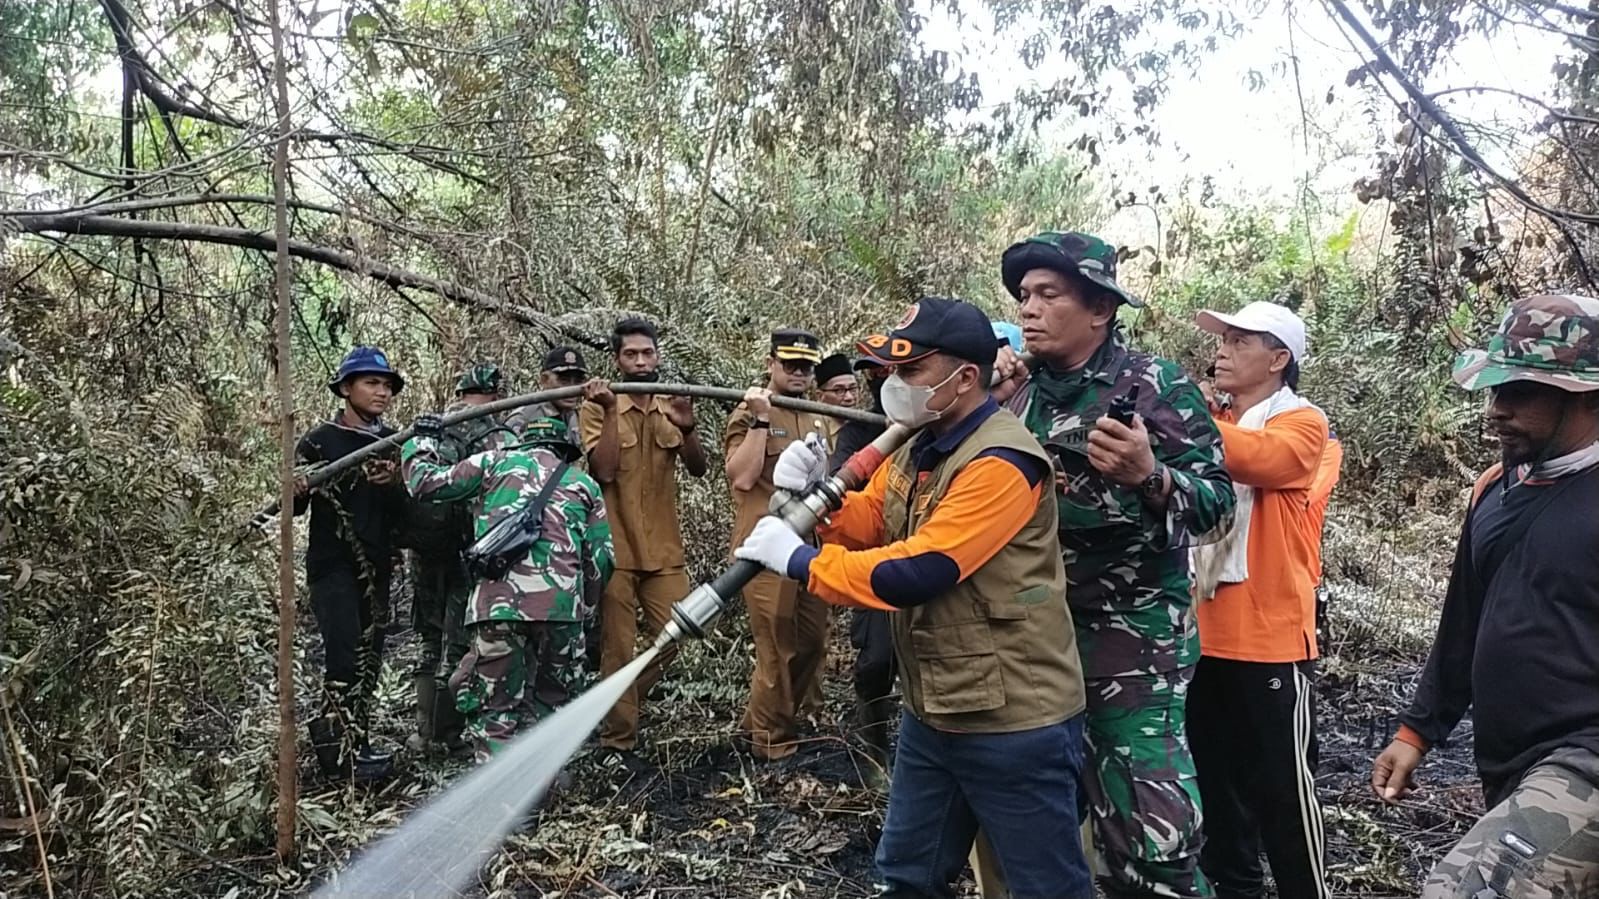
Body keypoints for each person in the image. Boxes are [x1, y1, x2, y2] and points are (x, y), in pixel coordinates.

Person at [735, 297, 1091, 899]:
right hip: (935, 710)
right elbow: (878, 516)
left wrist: (802, 561)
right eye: (892, 372)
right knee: (906, 876)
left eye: (911, 371)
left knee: (1044, 886)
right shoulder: (923, 445)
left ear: (966, 378)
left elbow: (922, 568)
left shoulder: (1004, 461)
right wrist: (816, 506)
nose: (894, 386)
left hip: (1012, 720)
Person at [995, 231, 1236, 899]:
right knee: (1045, 824)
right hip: (1035, 640)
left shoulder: (1153, 385)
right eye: (1023, 296)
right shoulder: (1012, 394)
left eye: (1048, 294)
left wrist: (1149, 475)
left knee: (1152, 842)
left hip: (1132, 643)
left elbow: (1217, 511)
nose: (1028, 308)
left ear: (1099, 308)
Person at [1370, 294, 1599, 899]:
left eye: (1519, 392)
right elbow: (1464, 620)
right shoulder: (1496, 488)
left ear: (1584, 395)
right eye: (1495, 389)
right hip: (1513, 763)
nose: (1495, 410)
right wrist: (1417, 732)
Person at [1185, 302, 1335, 899]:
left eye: (1241, 341)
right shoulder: (1212, 416)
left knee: (1284, 795)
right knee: (1215, 792)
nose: (1223, 349)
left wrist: (1181, 416)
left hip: (1269, 641)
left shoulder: (1303, 423)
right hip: (1200, 636)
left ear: (1279, 360)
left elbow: (1259, 459)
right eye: (1223, 339)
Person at [403, 416, 614, 762]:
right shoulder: (584, 484)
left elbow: (424, 484)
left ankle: (502, 799)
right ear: (565, 450)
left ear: (521, 443)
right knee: (556, 707)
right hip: (561, 611)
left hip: (497, 607)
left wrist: (420, 441)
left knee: (494, 710)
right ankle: (544, 786)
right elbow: (604, 559)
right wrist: (585, 606)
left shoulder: (491, 463)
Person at [580, 317, 708, 757]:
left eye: (647, 353)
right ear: (616, 359)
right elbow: (605, 470)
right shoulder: (597, 406)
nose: (639, 361)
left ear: (657, 355)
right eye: (630, 354)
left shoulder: (669, 403)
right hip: (615, 549)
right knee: (616, 649)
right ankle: (619, 741)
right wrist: (614, 410)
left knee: (676, 635)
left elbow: (698, 468)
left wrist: (688, 427)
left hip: (664, 549)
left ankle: (615, 704)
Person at [292, 345, 408, 779]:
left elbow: (405, 516)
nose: (382, 393)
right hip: (332, 566)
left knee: (369, 661)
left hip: (376, 568)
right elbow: (290, 510)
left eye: (386, 385)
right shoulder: (320, 440)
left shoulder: (394, 442)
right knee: (343, 657)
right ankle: (335, 754)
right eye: (371, 383)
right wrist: (299, 488)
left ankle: (356, 744)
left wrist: (393, 483)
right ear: (346, 388)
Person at [724, 327, 836, 760]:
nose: (799, 372)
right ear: (771, 363)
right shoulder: (749, 413)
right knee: (776, 645)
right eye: (789, 364)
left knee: (810, 642)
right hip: (764, 546)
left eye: (807, 366)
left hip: (808, 546)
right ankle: (771, 743)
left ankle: (762, 722)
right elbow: (743, 477)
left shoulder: (815, 416)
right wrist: (760, 419)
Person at [401, 363, 511, 754]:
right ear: (494, 393)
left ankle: (425, 732)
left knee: (429, 638)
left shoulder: (435, 428)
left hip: (427, 551)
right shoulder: (497, 434)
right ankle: (447, 732)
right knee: (459, 641)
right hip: (468, 551)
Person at [824, 354, 895, 781]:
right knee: (875, 664)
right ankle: (875, 753)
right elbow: (843, 480)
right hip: (878, 561)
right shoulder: (861, 429)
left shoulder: (948, 423)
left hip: (938, 558)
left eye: (889, 370)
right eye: (874, 373)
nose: (882, 379)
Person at [527, 346, 589, 437]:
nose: (571, 388)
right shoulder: (526, 416)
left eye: (578, 381)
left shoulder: (574, 417)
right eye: (564, 380)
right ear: (544, 380)